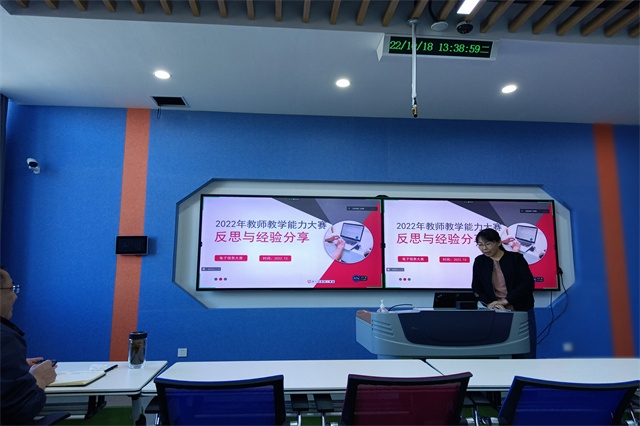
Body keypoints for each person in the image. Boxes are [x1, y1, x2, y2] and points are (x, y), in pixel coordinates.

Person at [1, 266, 58, 424]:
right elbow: (21, 409)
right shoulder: (5, 337)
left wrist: (13, 366)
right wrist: (40, 378)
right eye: (11, 289)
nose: (15, 296)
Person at [471, 229, 537, 359]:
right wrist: (490, 304)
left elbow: (527, 284)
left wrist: (506, 301)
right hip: (495, 313)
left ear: (499, 242)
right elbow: (476, 287)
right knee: (497, 352)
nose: (484, 248)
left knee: (525, 352)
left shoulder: (516, 258)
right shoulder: (480, 261)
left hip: (520, 310)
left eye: (488, 244)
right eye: (480, 245)